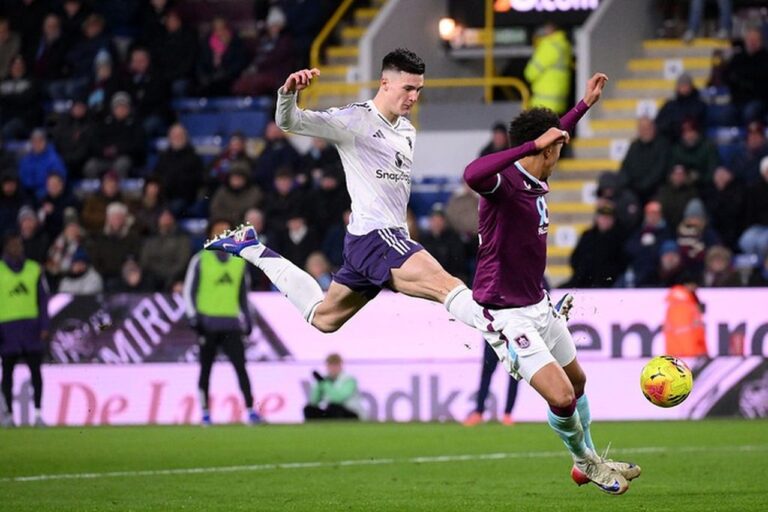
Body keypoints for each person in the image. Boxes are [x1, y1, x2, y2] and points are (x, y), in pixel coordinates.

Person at [205, 49, 485, 338]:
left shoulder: (406, 130)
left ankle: (252, 247)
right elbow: (290, 122)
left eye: (419, 90)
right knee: (446, 286)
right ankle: (500, 328)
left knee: (323, 318)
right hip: (378, 237)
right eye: (408, 88)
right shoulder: (354, 119)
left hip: (369, 240)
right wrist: (288, 95)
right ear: (385, 84)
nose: (414, 97)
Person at [462, 72, 639, 494]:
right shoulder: (504, 183)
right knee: (560, 397)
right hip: (506, 314)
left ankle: (588, 459)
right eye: (558, 144)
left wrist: (583, 106)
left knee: (577, 384)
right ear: (544, 148)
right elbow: (471, 174)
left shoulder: (538, 177)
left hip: (539, 304)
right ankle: (586, 463)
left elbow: (554, 134)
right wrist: (529, 145)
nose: (562, 150)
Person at [183, 219, 260, 426]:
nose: (221, 233)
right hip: (207, 324)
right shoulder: (200, 259)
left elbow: (244, 294)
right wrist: (193, 317)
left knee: (241, 368)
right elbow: (189, 291)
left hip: (231, 325)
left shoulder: (239, 261)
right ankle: (205, 412)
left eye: (225, 231)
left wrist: (248, 319)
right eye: (217, 230)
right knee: (205, 370)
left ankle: (251, 410)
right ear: (210, 234)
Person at [0, 233, 49, 428]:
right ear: (5, 247)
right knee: (7, 373)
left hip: (30, 328)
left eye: (19, 244)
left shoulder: (34, 269)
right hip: (7, 329)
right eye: (13, 244)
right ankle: (9, 415)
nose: (17, 248)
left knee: (36, 372)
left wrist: (44, 325)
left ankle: (38, 415)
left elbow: (43, 300)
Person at [463, 341, 519, 426]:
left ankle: (508, 414)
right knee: (486, 374)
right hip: (493, 339)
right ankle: (479, 412)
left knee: (514, 375)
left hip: (511, 340)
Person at [523, 23, 572, 114]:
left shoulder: (548, 46)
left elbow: (530, 73)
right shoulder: (564, 45)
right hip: (560, 102)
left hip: (543, 102)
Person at [620, 117, 670, 204]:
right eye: (642, 129)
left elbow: (660, 170)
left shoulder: (662, 145)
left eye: (648, 128)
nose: (646, 131)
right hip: (635, 191)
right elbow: (625, 169)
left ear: (654, 128)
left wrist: (642, 186)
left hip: (655, 189)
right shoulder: (634, 146)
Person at [304, 353, 362, 420]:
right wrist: (319, 384)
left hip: (351, 413)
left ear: (340, 365)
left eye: (335, 365)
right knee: (309, 409)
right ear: (327, 366)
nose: (333, 368)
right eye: (330, 365)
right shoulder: (325, 379)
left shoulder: (349, 380)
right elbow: (313, 402)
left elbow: (338, 398)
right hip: (332, 411)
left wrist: (324, 384)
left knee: (334, 407)